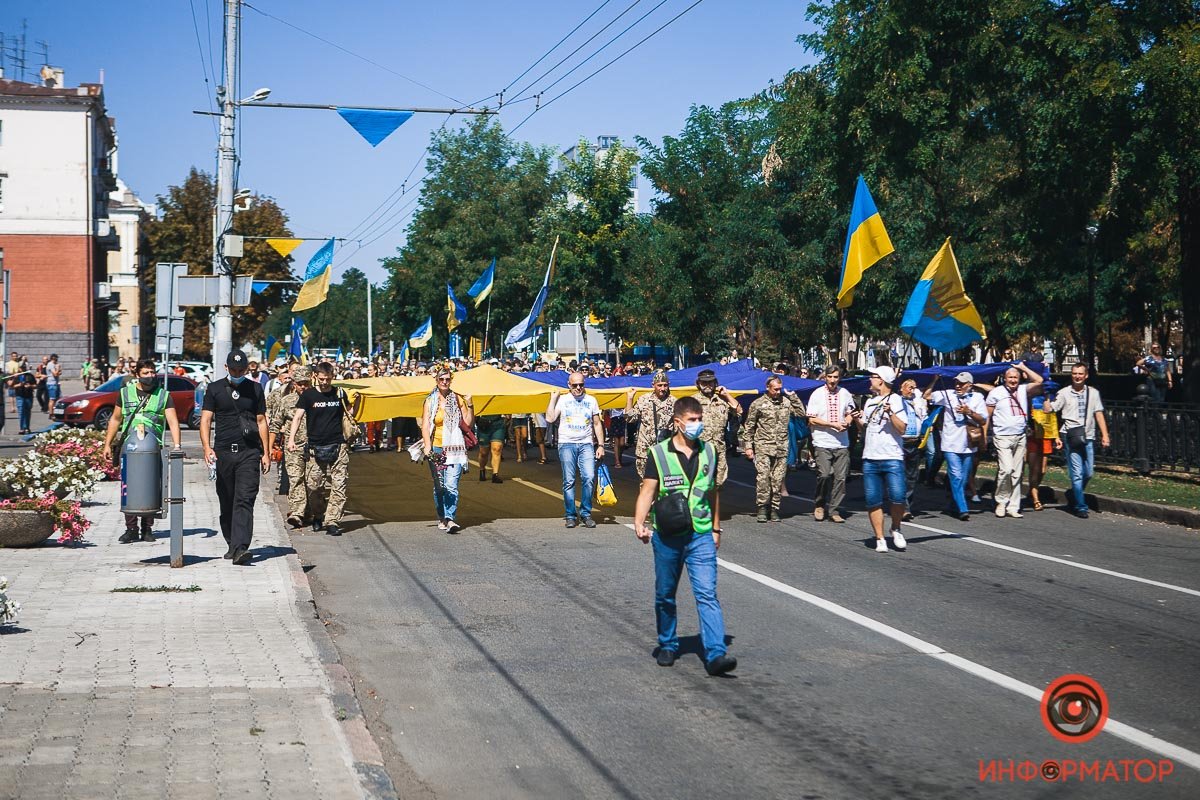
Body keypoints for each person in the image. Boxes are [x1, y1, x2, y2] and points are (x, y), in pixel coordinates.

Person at [632, 396, 737, 676]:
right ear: (678, 423)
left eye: (700, 419)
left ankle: (716, 653)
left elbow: (713, 493)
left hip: (700, 534)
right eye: (692, 420)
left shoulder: (710, 452)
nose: (698, 424)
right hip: (668, 535)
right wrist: (639, 522)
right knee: (665, 594)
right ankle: (667, 642)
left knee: (707, 593)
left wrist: (715, 528)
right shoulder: (659, 453)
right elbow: (647, 492)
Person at [200, 351, 270, 564]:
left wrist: (265, 452)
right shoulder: (214, 389)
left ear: (247, 369)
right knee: (227, 500)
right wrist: (206, 447)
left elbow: (261, 421)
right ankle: (232, 542)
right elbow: (206, 420)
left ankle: (241, 548)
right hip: (223, 452)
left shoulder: (255, 389)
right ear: (226, 367)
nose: (238, 373)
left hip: (248, 452)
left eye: (242, 370)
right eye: (234, 370)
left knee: (244, 499)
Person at [102, 359, 183, 543]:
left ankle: (147, 529)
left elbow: (173, 421)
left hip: (153, 449)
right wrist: (107, 444)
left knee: (151, 485)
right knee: (128, 486)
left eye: (152, 372)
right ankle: (131, 529)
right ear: (137, 374)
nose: (150, 376)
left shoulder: (163, 395)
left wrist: (177, 446)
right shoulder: (125, 393)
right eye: (146, 373)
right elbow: (115, 420)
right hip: (129, 448)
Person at [288, 362, 350, 536]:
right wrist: (291, 439)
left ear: (333, 377)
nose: (325, 383)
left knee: (339, 485)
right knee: (314, 486)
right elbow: (298, 417)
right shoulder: (308, 395)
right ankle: (318, 515)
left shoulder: (339, 393)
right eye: (322, 379)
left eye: (328, 379)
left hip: (338, 445)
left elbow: (349, 412)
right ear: (315, 377)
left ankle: (332, 521)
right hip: (315, 447)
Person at [855, 367, 910, 552]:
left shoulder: (896, 400)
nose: (870, 379)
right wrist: (856, 419)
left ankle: (896, 527)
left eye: (873, 376)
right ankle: (879, 538)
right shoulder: (869, 402)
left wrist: (891, 413)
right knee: (873, 500)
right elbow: (866, 427)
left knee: (898, 496)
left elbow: (902, 429)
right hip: (870, 457)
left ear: (883, 380)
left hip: (892, 456)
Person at [741, 375, 806, 522]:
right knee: (763, 478)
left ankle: (775, 508)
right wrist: (748, 447)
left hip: (781, 448)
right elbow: (749, 426)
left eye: (779, 389)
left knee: (777, 480)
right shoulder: (758, 404)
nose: (778, 392)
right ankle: (762, 507)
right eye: (775, 389)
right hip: (763, 447)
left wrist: (793, 396)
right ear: (768, 388)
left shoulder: (786, 403)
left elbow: (801, 413)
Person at [545, 372, 605, 528]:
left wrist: (601, 445)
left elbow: (597, 423)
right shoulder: (563, 400)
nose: (578, 388)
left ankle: (586, 513)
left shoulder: (591, 400)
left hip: (586, 444)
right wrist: (552, 399)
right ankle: (571, 515)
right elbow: (550, 418)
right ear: (569, 385)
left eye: (581, 385)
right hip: (566, 443)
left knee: (589, 477)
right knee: (569, 481)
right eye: (575, 385)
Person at [1051, 363, 1110, 519]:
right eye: (1074, 373)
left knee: (1088, 472)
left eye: (1080, 374)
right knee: (1077, 473)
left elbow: (1099, 414)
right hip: (1070, 435)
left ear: (1086, 376)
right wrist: (1045, 401)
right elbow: (1052, 409)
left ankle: (1075, 494)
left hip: (1088, 435)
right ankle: (1080, 506)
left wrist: (1105, 435)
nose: (1077, 376)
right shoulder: (1064, 393)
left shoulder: (1093, 393)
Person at [926, 372, 987, 521]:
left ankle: (953, 505)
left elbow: (983, 420)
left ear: (970, 385)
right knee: (956, 475)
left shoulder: (977, 398)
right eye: (957, 383)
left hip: (968, 444)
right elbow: (927, 396)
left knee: (963, 479)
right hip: (950, 444)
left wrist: (969, 412)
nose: (958, 386)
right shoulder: (948, 394)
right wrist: (934, 380)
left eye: (962, 383)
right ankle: (963, 508)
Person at [985, 362, 1044, 518]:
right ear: (1004, 378)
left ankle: (1013, 506)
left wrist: (1023, 368)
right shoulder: (996, 393)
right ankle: (1001, 501)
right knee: (1006, 469)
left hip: (1020, 436)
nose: (1013, 380)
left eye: (1015, 377)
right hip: (1002, 436)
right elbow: (987, 416)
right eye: (1010, 377)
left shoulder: (1024, 390)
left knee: (1017, 473)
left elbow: (1039, 381)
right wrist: (985, 434)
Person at [420, 367, 474, 533]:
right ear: (436, 380)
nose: (444, 382)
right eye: (441, 379)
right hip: (436, 448)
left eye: (447, 379)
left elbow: (468, 423)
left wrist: (470, 404)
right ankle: (442, 516)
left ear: (451, 380)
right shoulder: (430, 401)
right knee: (440, 486)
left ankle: (450, 518)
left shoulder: (457, 399)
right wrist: (428, 445)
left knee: (451, 486)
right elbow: (426, 424)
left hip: (455, 448)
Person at [691, 369, 741, 531]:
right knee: (700, 483)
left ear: (715, 384)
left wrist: (726, 395)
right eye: (704, 382)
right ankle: (701, 515)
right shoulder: (692, 401)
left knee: (718, 483)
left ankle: (711, 513)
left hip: (718, 449)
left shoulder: (721, 401)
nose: (707, 385)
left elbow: (738, 410)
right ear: (698, 384)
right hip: (699, 449)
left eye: (710, 382)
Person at [805, 366, 856, 523]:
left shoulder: (845, 393)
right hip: (822, 441)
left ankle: (834, 509)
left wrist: (847, 422)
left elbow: (850, 413)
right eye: (830, 377)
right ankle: (820, 504)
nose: (833, 380)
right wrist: (831, 424)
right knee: (825, 475)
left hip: (841, 442)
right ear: (825, 377)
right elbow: (811, 419)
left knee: (841, 478)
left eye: (835, 377)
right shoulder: (817, 394)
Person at [271, 365, 310, 527]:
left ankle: (312, 511)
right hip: (293, 447)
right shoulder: (287, 401)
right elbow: (275, 423)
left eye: (306, 383)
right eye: (299, 383)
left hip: (314, 447)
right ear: (294, 383)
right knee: (295, 480)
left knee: (313, 482)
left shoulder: (317, 398)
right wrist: (269, 447)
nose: (302, 386)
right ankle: (297, 512)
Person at [626, 370, 677, 478]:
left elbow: (678, 428)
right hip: (645, 450)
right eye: (659, 385)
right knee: (644, 483)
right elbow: (630, 419)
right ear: (653, 385)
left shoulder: (674, 402)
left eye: (665, 385)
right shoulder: (644, 400)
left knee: (664, 483)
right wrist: (630, 399)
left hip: (665, 450)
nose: (662, 389)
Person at [1026, 382, 1061, 511]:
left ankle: (1032, 490)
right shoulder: (1030, 396)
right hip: (1033, 435)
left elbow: (1052, 417)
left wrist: (1056, 436)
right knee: (1034, 469)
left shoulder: (1049, 396)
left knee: (1042, 470)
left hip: (1046, 434)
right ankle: (1035, 498)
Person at [897, 378, 928, 520]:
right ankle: (903, 507)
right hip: (901, 442)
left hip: (915, 442)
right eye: (909, 387)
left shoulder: (918, 402)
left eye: (914, 387)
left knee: (911, 477)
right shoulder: (896, 401)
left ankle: (906, 503)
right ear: (901, 388)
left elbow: (924, 417)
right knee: (901, 476)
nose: (912, 390)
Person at [475, 413, 507, 483]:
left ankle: (495, 474)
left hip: (498, 423)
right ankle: (482, 469)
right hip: (483, 423)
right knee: (483, 453)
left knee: (497, 449)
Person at [10, 363, 35, 434]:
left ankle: (27, 427)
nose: (22, 369)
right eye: (21, 368)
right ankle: (22, 428)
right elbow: (12, 386)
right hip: (20, 396)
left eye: (24, 367)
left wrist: (30, 386)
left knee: (27, 412)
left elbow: (35, 385)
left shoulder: (30, 376)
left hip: (29, 396)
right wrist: (19, 385)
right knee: (21, 412)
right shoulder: (16, 376)